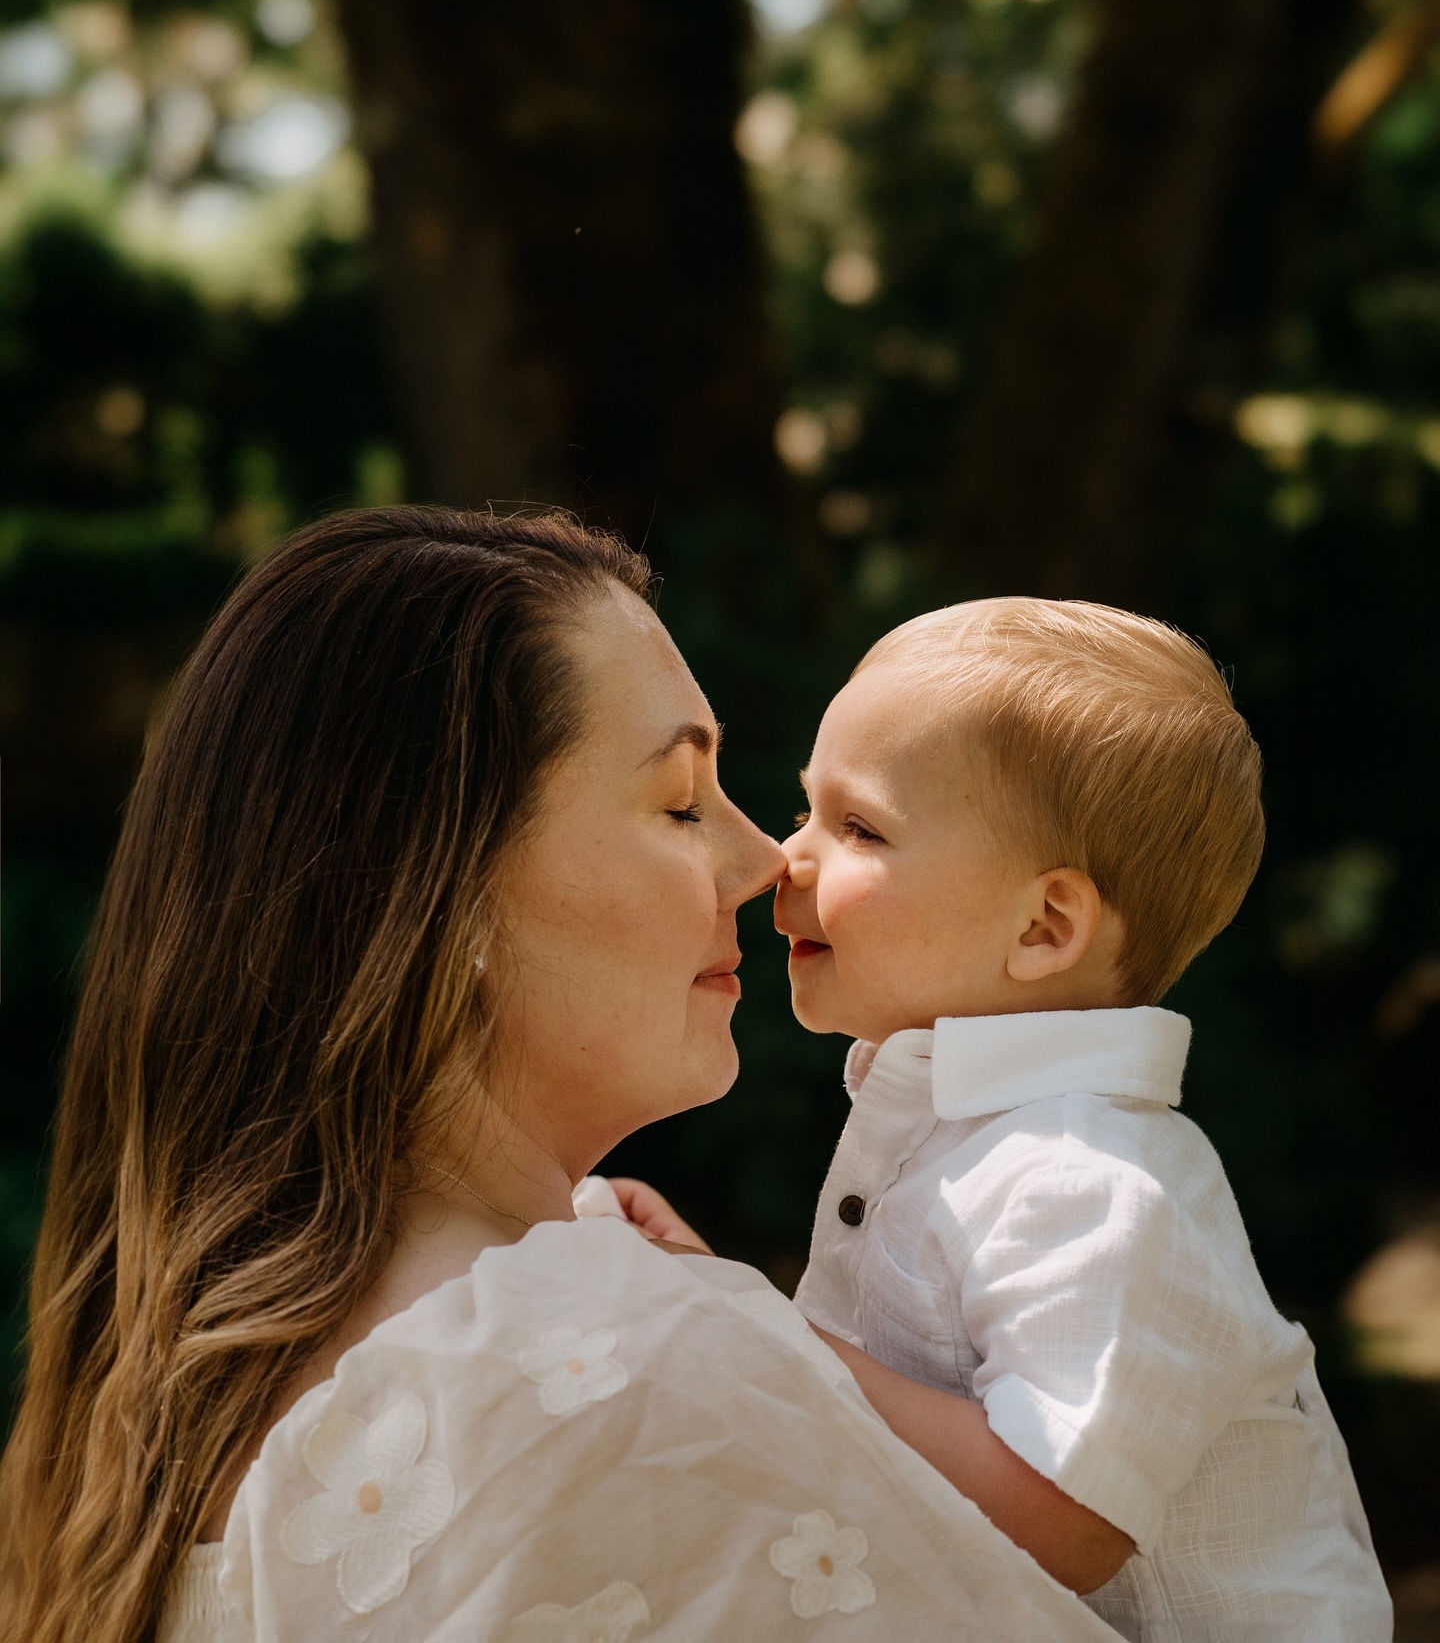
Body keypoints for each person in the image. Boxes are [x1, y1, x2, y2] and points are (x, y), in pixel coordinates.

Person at [0, 512, 1117, 1643]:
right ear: (441, 887)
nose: (765, 860)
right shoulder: (610, 1373)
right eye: (682, 801)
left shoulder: (119, 1446)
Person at [760, 598, 1391, 1639]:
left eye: (858, 826)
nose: (787, 859)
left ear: (1044, 927)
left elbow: (1063, 1519)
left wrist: (763, 1348)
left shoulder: (1089, 1176)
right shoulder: (965, 1136)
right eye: (806, 811)